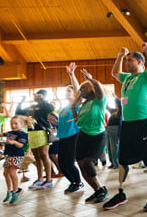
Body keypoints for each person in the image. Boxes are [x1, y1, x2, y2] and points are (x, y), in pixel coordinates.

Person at [104, 43, 147, 211]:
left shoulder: (146, 76)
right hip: (128, 124)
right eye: (127, 60)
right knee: (123, 159)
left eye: (130, 60)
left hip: (145, 122)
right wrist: (120, 55)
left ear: (140, 62)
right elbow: (115, 73)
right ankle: (121, 193)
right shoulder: (127, 78)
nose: (127, 63)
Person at [71, 69, 108, 203]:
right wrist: (73, 107)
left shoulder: (99, 100)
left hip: (97, 136)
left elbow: (98, 87)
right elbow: (78, 122)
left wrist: (91, 79)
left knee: (87, 163)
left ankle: (101, 189)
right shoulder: (85, 104)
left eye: (83, 87)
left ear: (91, 88)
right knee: (81, 164)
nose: (81, 90)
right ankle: (97, 190)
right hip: (83, 135)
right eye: (80, 88)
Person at [48, 63, 83, 193]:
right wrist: (55, 122)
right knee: (62, 164)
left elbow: (77, 89)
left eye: (69, 90)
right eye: (66, 90)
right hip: (63, 137)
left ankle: (78, 182)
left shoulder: (76, 104)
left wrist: (71, 74)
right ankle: (73, 182)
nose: (67, 92)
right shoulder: (63, 108)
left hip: (74, 136)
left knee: (69, 162)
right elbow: (63, 124)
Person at [0, 116, 27, 204]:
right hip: (9, 156)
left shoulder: (22, 134)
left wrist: (14, 142)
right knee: (5, 173)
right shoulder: (10, 133)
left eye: (16, 123)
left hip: (17, 156)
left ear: (22, 124)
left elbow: (21, 145)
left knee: (12, 172)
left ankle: (16, 191)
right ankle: (9, 191)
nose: (13, 125)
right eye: (11, 123)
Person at [27, 89, 55, 190]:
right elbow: (21, 113)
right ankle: (40, 179)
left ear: (43, 96)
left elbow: (51, 109)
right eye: (36, 95)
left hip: (42, 132)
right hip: (32, 132)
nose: (36, 96)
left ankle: (49, 180)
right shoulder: (32, 106)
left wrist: (43, 100)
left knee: (44, 155)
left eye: (39, 95)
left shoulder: (45, 105)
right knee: (37, 157)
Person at [106, 94, 122, 169]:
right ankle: (112, 162)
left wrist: (115, 96)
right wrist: (106, 97)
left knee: (114, 147)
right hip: (109, 129)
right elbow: (107, 106)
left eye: (116, 103)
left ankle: (116, 163)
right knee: (109, 147)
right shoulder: (113, 110)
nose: (115, 104)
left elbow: (121, 101)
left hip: (115, 130)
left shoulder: (121, 111)